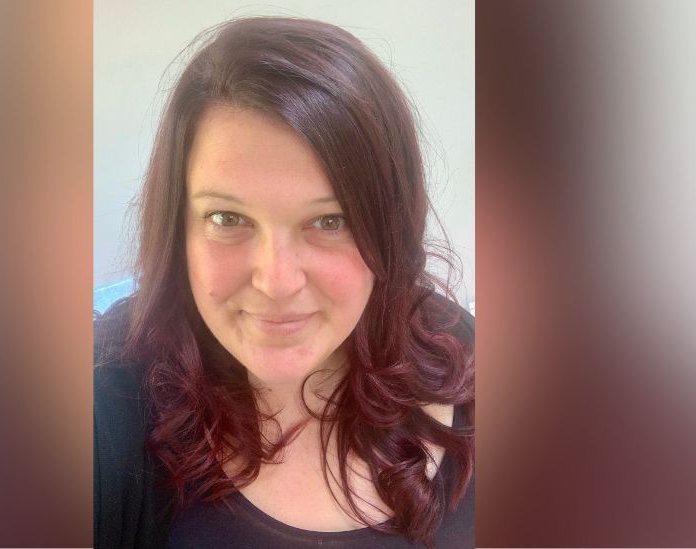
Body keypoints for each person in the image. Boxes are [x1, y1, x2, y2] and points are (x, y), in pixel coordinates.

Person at [94, 16, 474, 549]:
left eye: (330, 220)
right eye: (227, 219)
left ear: (387, 227)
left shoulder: (461, 352)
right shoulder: (108, 396)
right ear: (178, 225)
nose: (275, 281)